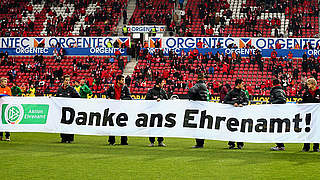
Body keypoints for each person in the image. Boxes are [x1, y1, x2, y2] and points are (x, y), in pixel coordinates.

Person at [106, 75, 132, 145]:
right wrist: (108, 98)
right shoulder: (111, 88)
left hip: (122, 109)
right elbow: (106, 95)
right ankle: (111, 141)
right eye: (122, 80)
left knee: (123, 124)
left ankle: (124, 141)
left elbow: (129, 98)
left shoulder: (125, 88)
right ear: (118, 80)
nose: (123, 81)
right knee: (112, 125)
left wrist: (122, 100)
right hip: (113, 109)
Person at [224, 79, 249, 149]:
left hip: (240, 115)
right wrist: (233, 103)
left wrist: (242, 104)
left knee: (240, 129)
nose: (243, 85)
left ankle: (240, 144)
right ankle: (231, 143)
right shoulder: (231, 92)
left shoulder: (243, 93)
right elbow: (225, 101)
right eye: (242, 83)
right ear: (238, 84)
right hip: (232, 115)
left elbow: (247, 101)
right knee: (232, 129)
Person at [56, 75, 80, 143]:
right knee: (62, 123)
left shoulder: (71, 89)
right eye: (66, 80)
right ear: (63, 81)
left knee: (70, 123)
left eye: (68, 80)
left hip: (70, 110)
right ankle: (63, 138)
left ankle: (70, 139)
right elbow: (56, 98)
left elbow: (78, 97)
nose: (67, 82)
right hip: (62, 110)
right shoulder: (59, 89)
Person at [145, 78, 168, 147]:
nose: (164, 84)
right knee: (152, 126)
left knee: (160, 126)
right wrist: (155, 100)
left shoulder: (163, 91)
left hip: (160, 112)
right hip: (152, 112)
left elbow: (167, 100)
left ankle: (160, 141)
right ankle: (152, 141)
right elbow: (146, 100)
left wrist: (162, 99)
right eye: (162, 83)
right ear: (159, 83)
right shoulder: (151, 91)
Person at [188, 73, 208, 148]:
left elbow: (191, 91)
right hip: (203, 107)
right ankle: (201, 142)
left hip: (198, 107)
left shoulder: (198, 85)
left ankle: (199, 143)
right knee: (201, 125)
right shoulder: (205, 86)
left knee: (198, 126)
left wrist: (192, 99)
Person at [301, 78, 320, 152]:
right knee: (307, 129)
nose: (308, 85)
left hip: (317, 115)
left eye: (309, 84)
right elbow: (303, 103)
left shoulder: (319, 92)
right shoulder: (306, 93)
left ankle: (316, 147)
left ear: (313, 84)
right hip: (308, 115)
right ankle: (306, 147)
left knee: (316, 130)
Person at [269, 79, 287, 151]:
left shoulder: (276, 90)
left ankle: (280, 145)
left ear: (273, 84)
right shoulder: (281, 90)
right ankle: (280, 145)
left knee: (275, 129)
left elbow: (282, 99)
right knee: (277, 129)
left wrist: (272, 103)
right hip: (279, 112)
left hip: (277, 112)